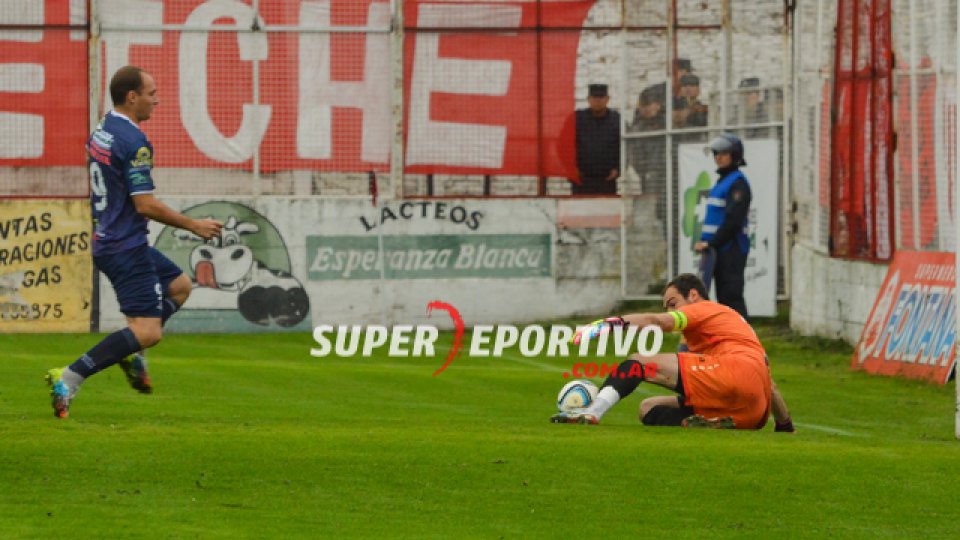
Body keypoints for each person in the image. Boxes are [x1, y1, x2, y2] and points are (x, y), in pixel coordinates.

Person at [44, 66, 223, 418]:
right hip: (124, 246)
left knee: (180, 286)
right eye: (151, 93)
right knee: (147, 331)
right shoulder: (134, 141)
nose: (157, 100)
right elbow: (145, 204)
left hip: (112, 240)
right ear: (132, 97)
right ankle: (70, 375)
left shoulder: (103, 129)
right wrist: (194, 225)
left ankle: (130, 352)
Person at [551, 273, 794, 431]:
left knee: (638, 362)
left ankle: (592, 412)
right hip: (752, 411)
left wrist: (606, 325)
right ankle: (709, 423)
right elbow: (768, 384)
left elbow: (657, 321)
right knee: (648, 408)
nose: (670, 310)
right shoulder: (737, 326)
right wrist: (784, 423)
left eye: (673, 303)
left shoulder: (703, 309)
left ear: (694, 295)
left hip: (731, 374)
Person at [694, 133, 750, 320]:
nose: (718, 156)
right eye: (716, 152)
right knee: (724, 299)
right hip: (718, 250)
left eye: (724, 153)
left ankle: (746, 344)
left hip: (731, 249)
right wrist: (705, 242)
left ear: (735, 155)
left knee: (731, 298)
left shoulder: (738, 183)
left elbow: (733, 221)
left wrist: (712, 243)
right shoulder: (723, 181)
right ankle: (731, 342)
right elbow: (715, 219)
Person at [570, 83, 620, 195]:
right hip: (581, 178)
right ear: (588, 99)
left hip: (607, 179)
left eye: (601, 97)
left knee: (606, 211)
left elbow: (626, 146)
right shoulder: (576, 119)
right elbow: (563, 145)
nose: (598, 101)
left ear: (607, 99)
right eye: (594, 98)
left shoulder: (616, 120)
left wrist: (618, 168)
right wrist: (572, 168)